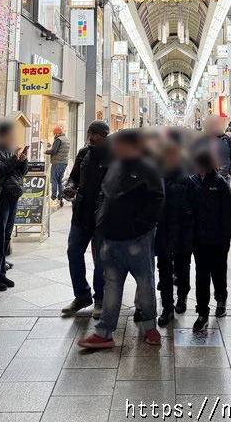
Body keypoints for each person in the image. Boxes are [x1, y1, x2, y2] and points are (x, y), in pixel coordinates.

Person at [78, 128, 165, 349]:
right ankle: (104, 333)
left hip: (137, 239)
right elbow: (105, 194)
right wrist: (101, 221)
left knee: (145, 284)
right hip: (111, 237)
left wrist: (141, 226)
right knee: (112, 285)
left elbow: (157, 199)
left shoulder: (148, 167)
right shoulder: (115, 166)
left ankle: (150, 328)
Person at [61, 120, 111, 319]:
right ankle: (82, 295)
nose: (92, 138)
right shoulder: (83, 153)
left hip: (102, 216)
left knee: (101, 258)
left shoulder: (113, 156)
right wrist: (70, 186)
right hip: (81, 213)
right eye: (91, 134)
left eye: (96, 135)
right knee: (74, 252)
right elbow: (73, 176)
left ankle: (100, 298)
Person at [191, 138, 231, 332]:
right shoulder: (191, 182)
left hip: (218, 239)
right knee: (201, 275)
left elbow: (229, 210)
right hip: (198, 239)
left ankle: (221, 300)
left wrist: (226, 237)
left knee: (218, 271)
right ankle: (202, 312)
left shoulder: (219, 183)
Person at [0, 118, 29, 292]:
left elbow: (20, 173)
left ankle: (0, 274)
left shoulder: (10, 151)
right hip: (0, 199)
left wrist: (22, 159)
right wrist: (14, 159)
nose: (14, 137)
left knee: (6, 237)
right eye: (12, 134)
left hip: (13, 196)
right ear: (4, 135)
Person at [155, 132, 195, 326]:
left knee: (183, 268)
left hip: (183, 230)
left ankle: (182, 298)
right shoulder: (156, 175)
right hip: (162, 230)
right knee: (164, 270)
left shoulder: (188, 175)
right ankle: (167, 308)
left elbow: (195, 204)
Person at [202, 115, 231, 179]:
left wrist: (230, 172)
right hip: (206, 177)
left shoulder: (227, 139)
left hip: (224, 176)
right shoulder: (201, 140)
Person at [46, 125, 70, 206]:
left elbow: (54, 150)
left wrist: (46, 151)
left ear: (56, 134)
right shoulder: (66, 139)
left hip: (57, 163)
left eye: (54, 134)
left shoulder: (58, 140)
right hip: (64, 163)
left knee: (54, 180)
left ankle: (53, 198)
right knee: (60, 181)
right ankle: (60, 197)